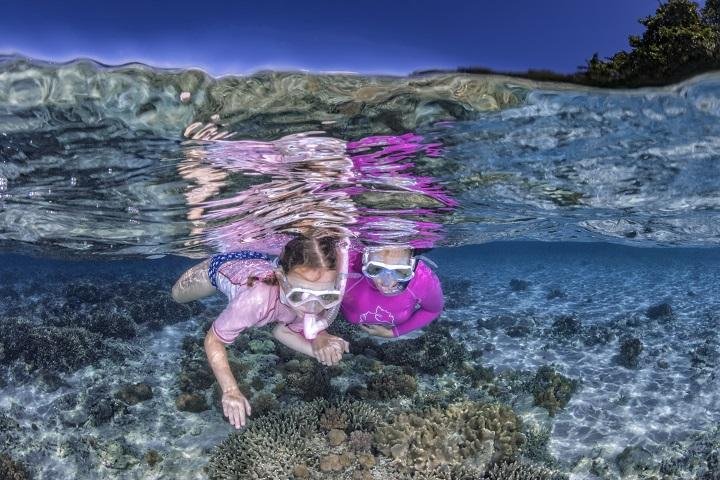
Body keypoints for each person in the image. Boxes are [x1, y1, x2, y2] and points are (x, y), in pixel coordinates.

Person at [171, 235, 350, 429]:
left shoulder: (311, 300)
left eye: (326, 296)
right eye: (301, 295)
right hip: (222, 266)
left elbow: (281, 332)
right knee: (176, 297)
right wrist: (230, 390)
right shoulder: (256, 300)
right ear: (281, 278)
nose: (313, 308)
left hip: (259, 261)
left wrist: (320, 339)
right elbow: (213, 340)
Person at [340, 245, 444, 337]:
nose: (386, 283)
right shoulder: (344, 269)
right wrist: (323, 333)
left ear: (412, 266)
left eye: (400, 271)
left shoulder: (422, 279)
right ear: (365, 260)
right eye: (376, 269)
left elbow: (432, 310)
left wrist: (395, 332)